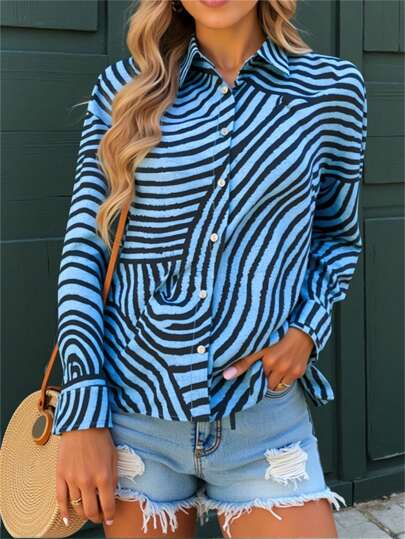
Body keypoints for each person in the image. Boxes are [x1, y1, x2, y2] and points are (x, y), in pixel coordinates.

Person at [52, 0, 367, 537]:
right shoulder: (124, 89)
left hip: (263, 418)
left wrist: (307, 329)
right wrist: (83, 412)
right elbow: (86, 248)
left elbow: (336, 235)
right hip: (135, 416)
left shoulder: (331, 91)